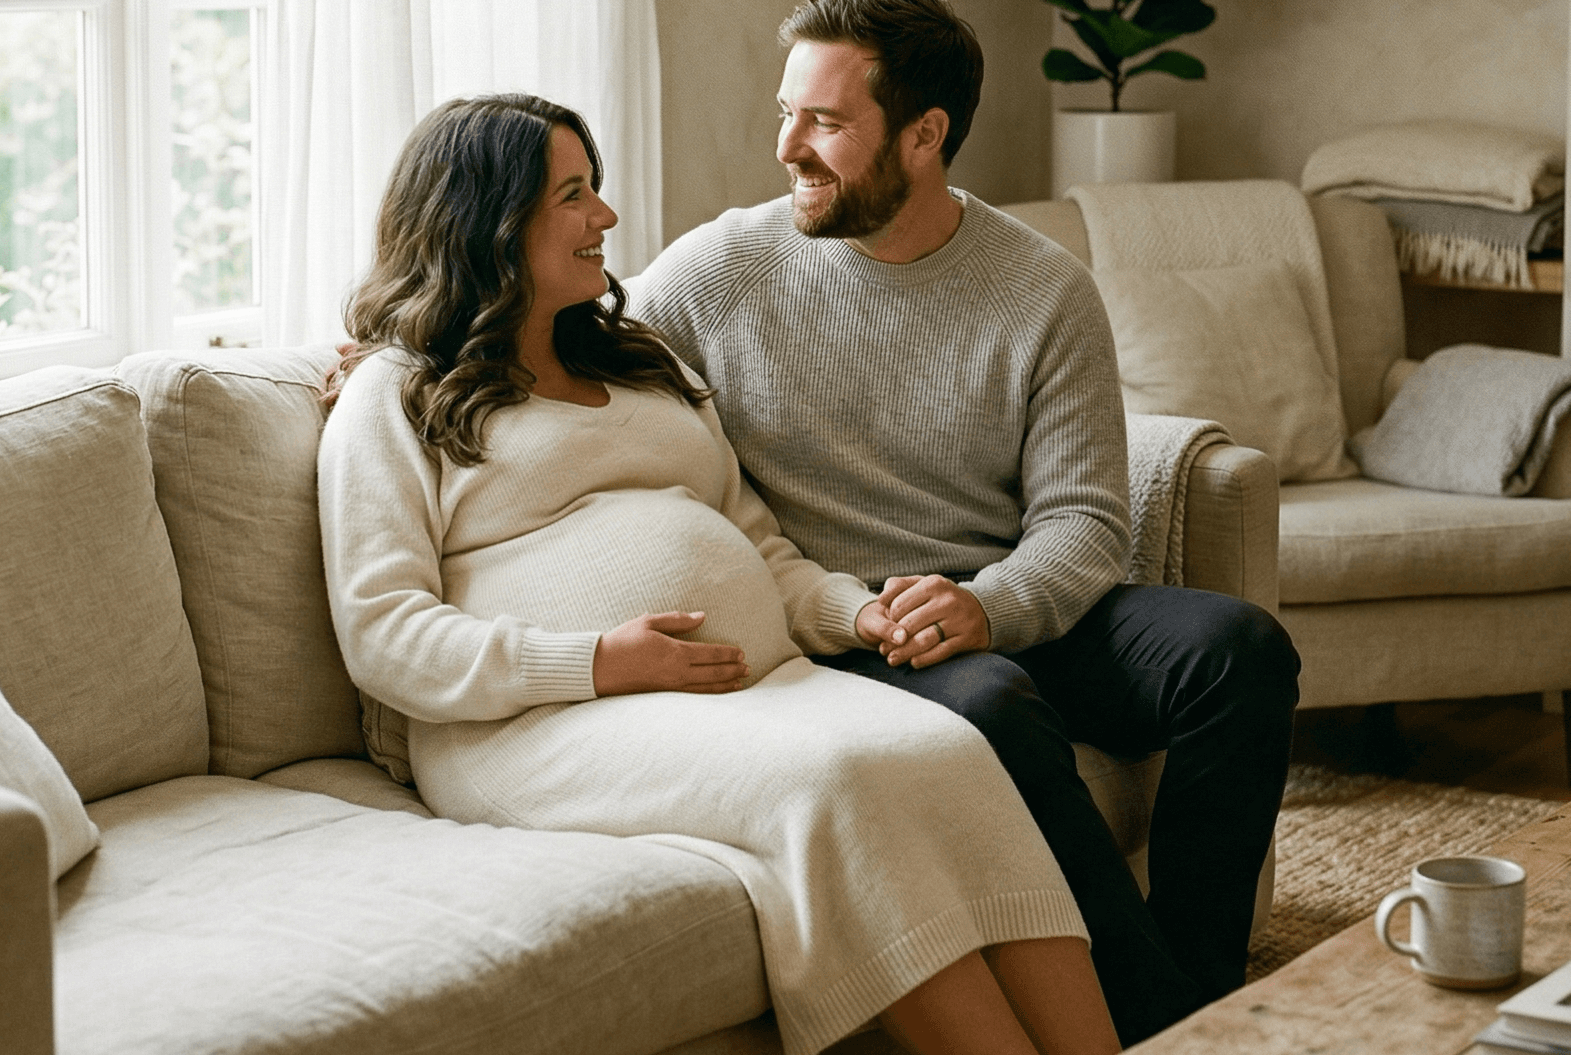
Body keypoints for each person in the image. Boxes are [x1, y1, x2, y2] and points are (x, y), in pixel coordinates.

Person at [318, 92, 1121, 1055]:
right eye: (574, 196)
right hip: (530, 726)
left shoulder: (643, 362)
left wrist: (857, 618)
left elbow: (760, 549)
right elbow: (382, 631)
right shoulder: (394, 395)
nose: (605, 219)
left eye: (596, 189)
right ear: (487, 223)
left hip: (751, 686)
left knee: (952, 751)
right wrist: (597, 662)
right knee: (833, 779)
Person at [630, 0, 1302, 1045]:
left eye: (826, 121)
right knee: (988, 706)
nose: (788, 147)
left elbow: (1086, 521)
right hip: (852, 626)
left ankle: (1203, 983)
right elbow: (570, 328)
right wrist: (392, 349)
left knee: (1238, 649)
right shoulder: (723, 270)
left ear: (924, 135)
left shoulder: (1042, 287)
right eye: (786, 112)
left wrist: (988, 605)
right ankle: (1159, 1022)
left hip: (998, 602)